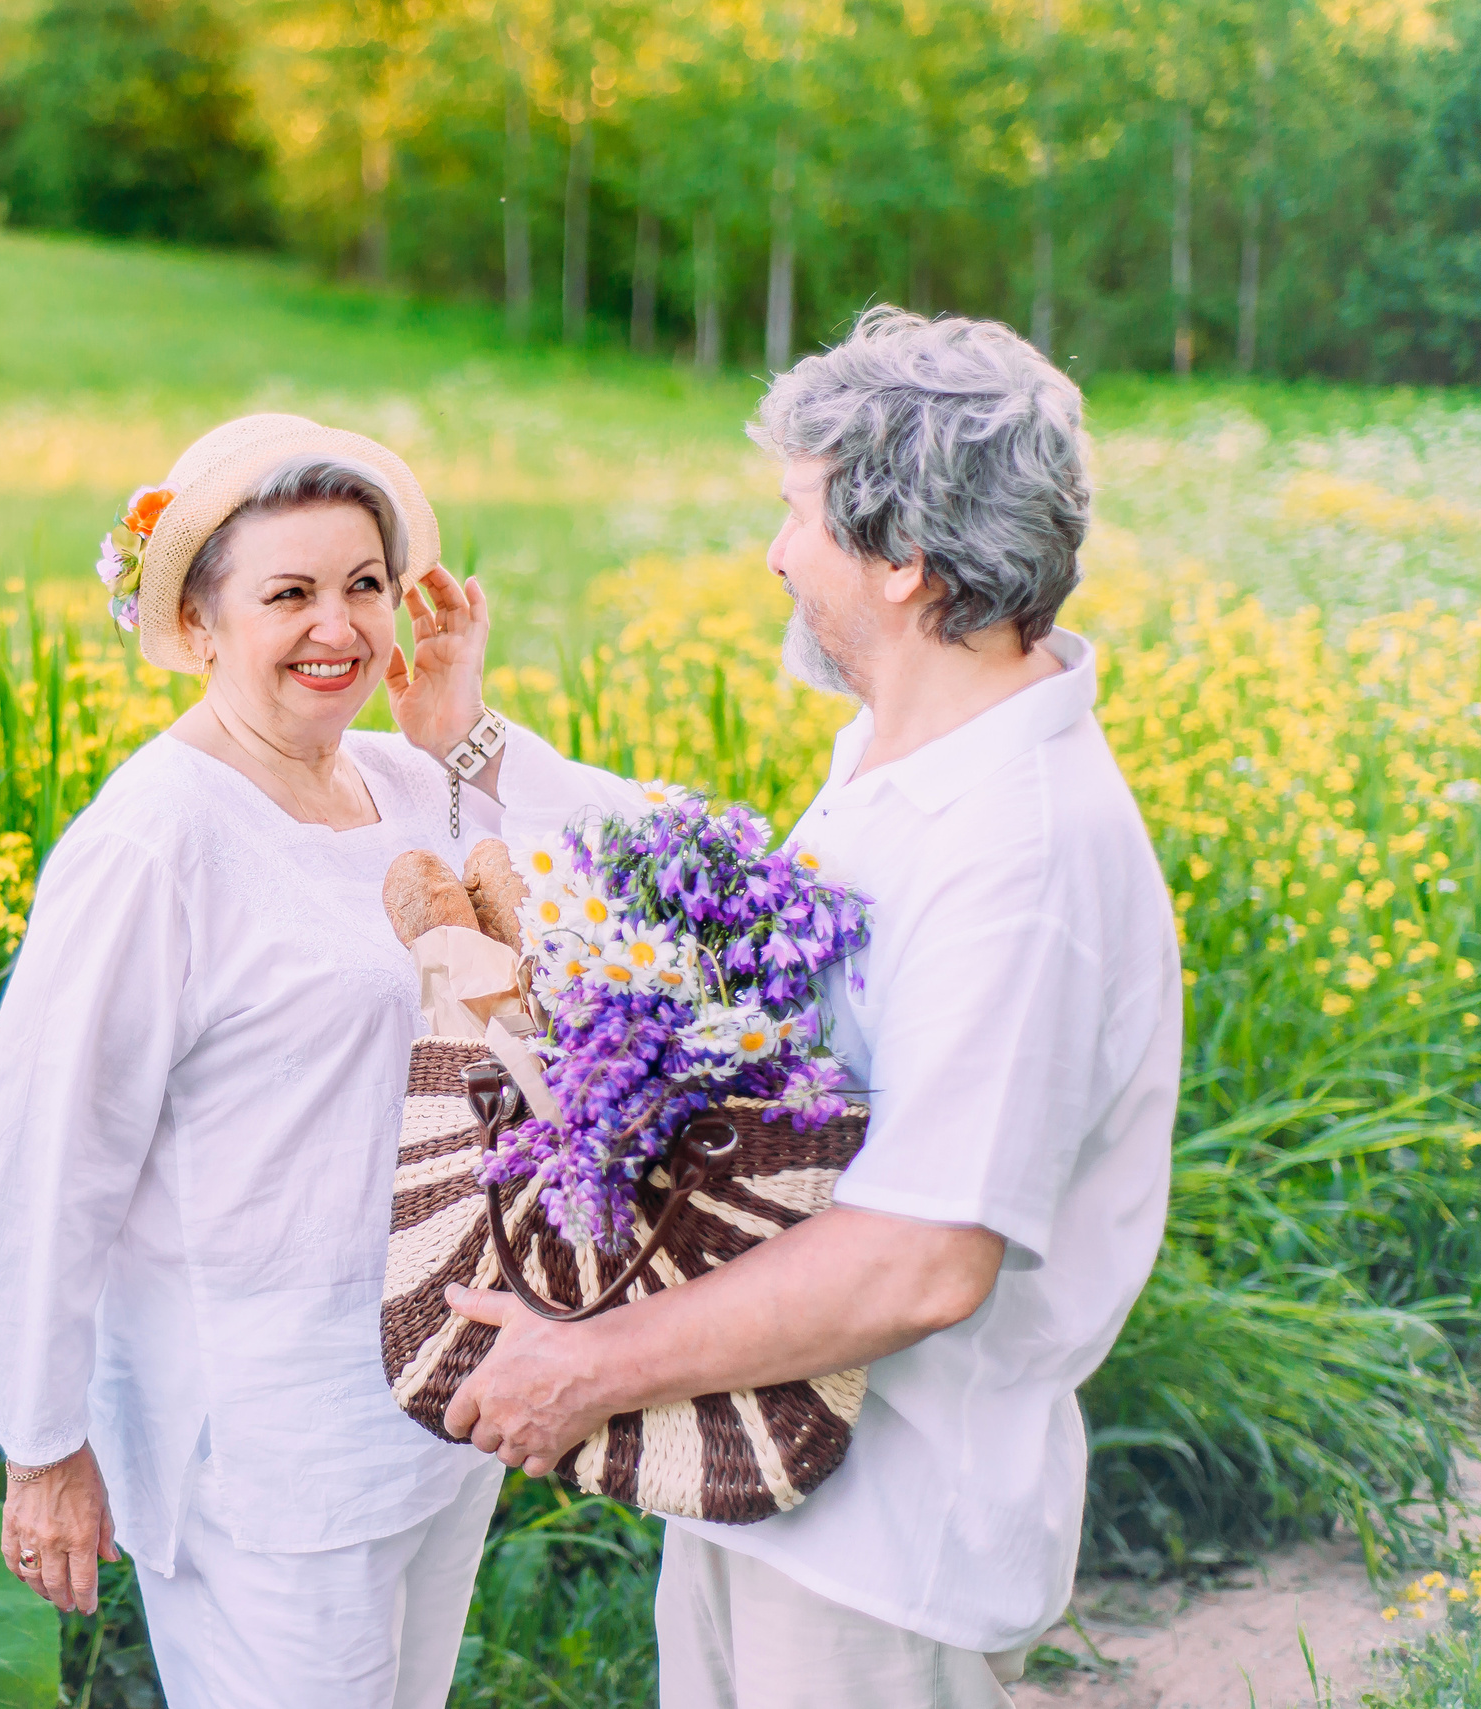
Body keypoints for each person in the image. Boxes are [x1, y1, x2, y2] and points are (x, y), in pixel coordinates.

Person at [440, 307, 1182, 1709]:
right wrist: (473, 744)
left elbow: (919, 1261)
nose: (777, 553)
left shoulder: (1016, 854)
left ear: (903, 559)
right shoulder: (918, 756)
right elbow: (725, 904)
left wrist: (585, 1366)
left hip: (892, 1540)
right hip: (781, 1478)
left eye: (798, 513)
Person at [0, 413, 624, 1709]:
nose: (340, 626)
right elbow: (49, 1154)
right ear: (199, 626)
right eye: (290, 593)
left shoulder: (408, 785)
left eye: (365, 583)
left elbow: (603, 878)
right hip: (267, 1438)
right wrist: (43, 1442)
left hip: (439, 1398)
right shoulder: (156, 840)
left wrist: (464, 729)